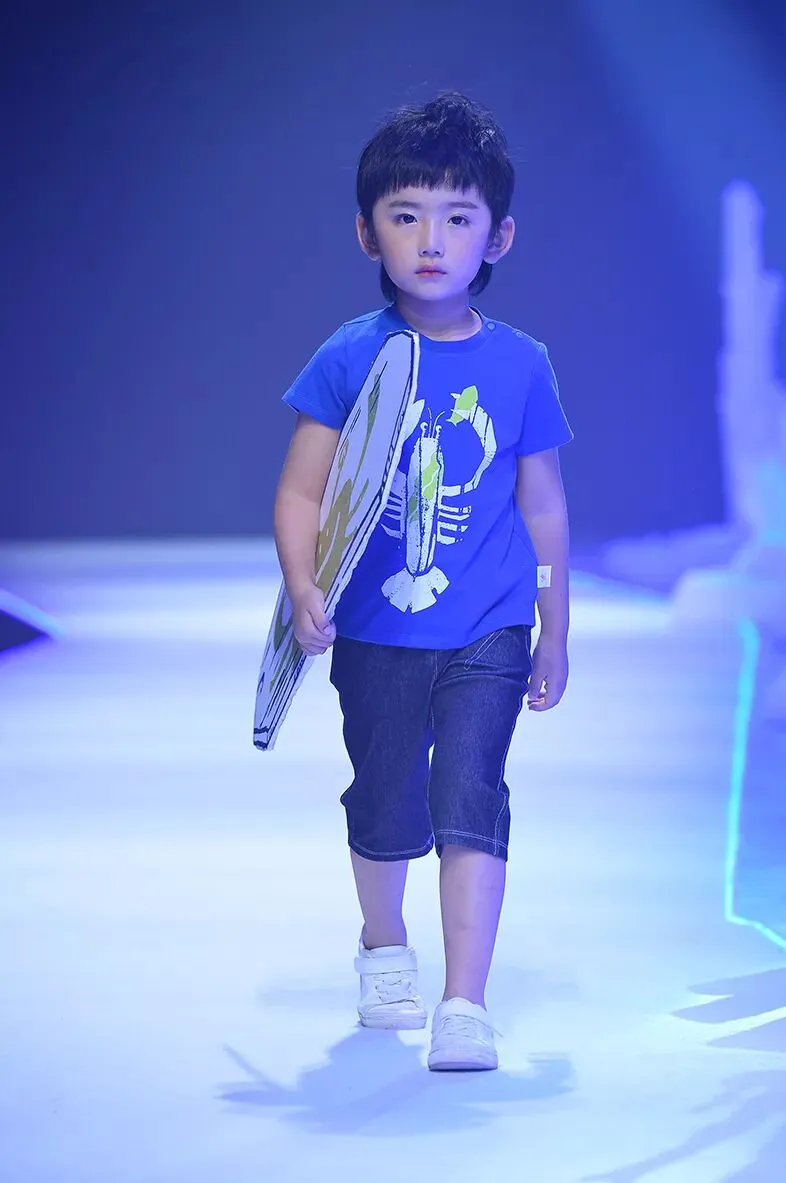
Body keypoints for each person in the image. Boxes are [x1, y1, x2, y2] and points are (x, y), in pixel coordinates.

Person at [272, 92, 573, 1071]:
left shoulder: (522, 365)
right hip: (372, 629)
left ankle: (465, 1001)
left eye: (457, 216)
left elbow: (543, 509)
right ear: (368, 232)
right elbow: (303, 491)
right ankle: (383, 944)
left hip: (490, 624)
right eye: (405, 215)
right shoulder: (348, 355)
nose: (431, 240)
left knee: (471, 791)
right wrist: (303, 582)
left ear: (499, 236)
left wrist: (554, 625)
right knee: (387, 797)